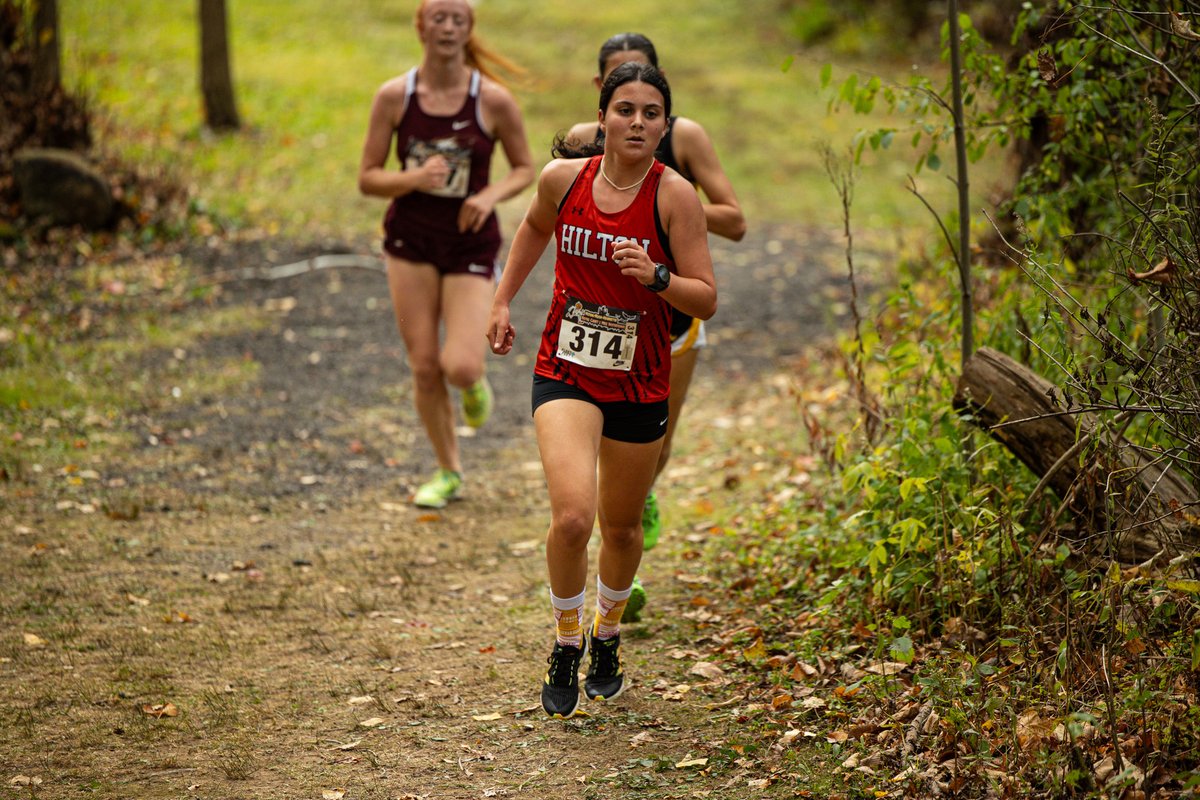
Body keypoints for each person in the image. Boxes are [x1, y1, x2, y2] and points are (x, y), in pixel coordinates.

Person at [487, 62, 717, 718]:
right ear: (603, 117)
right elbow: (533, 228)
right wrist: (503, 302)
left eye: (650, 113)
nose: (637, 122)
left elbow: (707, 296)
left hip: (641, 380)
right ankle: (565, 641)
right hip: (565, 370)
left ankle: (607, 635)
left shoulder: (674, 196)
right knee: (571, 518)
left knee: (619, 528)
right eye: (625, 110)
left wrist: (657, 276)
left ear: (665, 125)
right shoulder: (564, 180)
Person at [565, 33, 746, 622]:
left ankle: (631, 515)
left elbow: (736, 222)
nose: (636, 113)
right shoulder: (584, 142)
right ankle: (614, 547)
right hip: (598, 320)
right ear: (602, 94)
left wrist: (672, 203)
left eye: (649, 99)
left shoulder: (684, 141)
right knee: (587, 450)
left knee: (655, 444)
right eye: (621, 88)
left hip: (669, 320)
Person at [358, 0, 534, 509]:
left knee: (458, 364)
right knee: (424, 366)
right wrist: (413, 179)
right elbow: (367, 177)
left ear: (468, 30)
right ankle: (448, 470)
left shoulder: (493, 101)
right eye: (439, 17)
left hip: (468, 244)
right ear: (421, 26)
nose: (449, 27)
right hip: (410, 242)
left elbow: (524, 168)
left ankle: (473, 383)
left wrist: (487, 196)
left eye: (459, 19)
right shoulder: (395, 97)